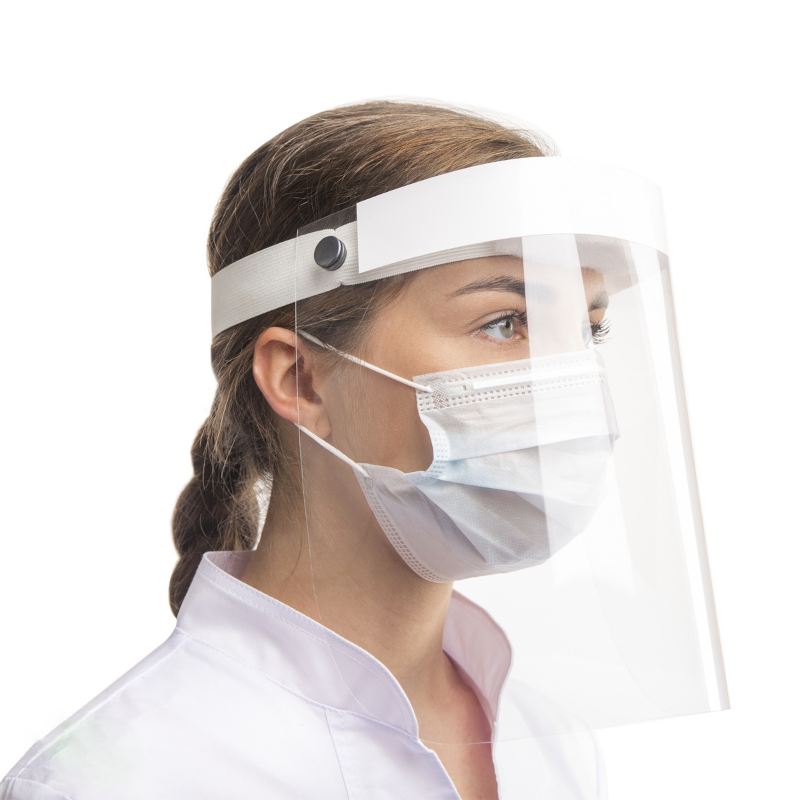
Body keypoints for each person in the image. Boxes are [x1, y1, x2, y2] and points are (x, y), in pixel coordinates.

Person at [1, 100, 726, 800]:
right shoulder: (118, 782)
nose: (570, 382)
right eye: (505, 322)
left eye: (589, 331)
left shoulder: (550, 746)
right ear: (302, 378)